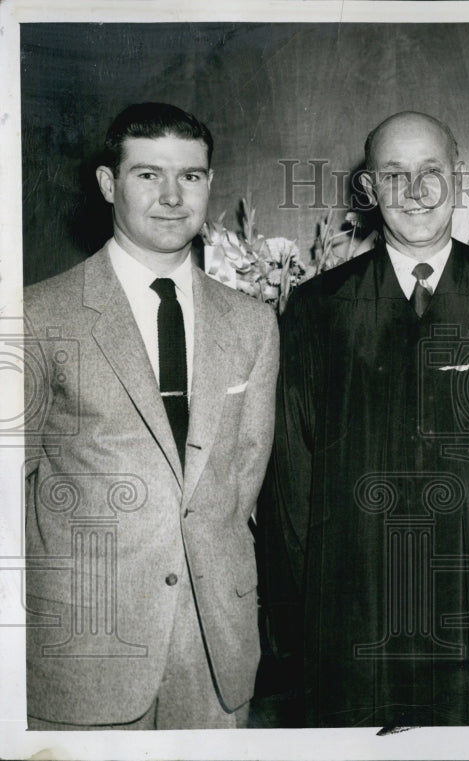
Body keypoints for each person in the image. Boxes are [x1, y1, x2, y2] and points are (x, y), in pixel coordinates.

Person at [263, 111, 469, 727]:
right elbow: (290, 476)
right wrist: (303, 617)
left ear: (457, 177)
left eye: (431, 170)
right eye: (394, 174)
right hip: (358, 606)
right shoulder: (318, 309)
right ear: (369, 191)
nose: (415, 190)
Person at [22, 102, 279, 729]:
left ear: (210, 184)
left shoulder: (251, 322)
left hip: (216, 650)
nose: (171, 196)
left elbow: (243, 481)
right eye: (147, 175)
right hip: (88, 644)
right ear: (110, 184)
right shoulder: (36, 316)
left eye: (189, 176)